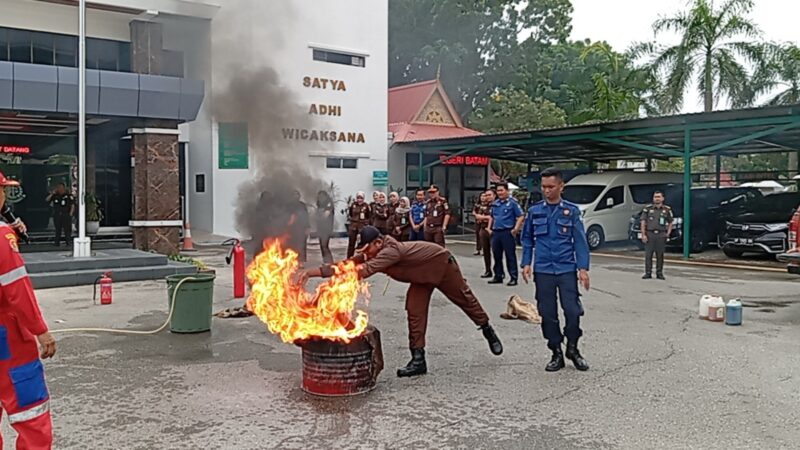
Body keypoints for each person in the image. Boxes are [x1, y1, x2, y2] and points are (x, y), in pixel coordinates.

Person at [298, 226, 503, 378]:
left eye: (366, 248)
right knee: (414, 312)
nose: (364, 253)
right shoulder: (374, 250)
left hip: (442, 267)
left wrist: (342, 278)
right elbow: (346, 265)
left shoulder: (390, 252)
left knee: (466, 300)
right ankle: (418, 360)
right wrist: (312, 272)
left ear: (378, 243)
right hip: (420, 278)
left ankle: (487, 329)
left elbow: (364, 271)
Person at [0, 171, 57, 449]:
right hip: (6, 338)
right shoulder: (1, 238)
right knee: (31, 411)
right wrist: (41, 331)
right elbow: (16, 290)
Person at [521, 167, 591, 373]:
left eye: (551, 186)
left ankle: (573, 348)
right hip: (543, 269)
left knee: (572, 310)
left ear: (562, 186)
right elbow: (526, 239)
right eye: (544, 187)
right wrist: (527, 262)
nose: (547, 191)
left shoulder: (571, 211)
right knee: (548, 313)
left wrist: (583, 268)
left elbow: (580, 241)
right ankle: (556, 352)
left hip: (566, 268)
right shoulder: (535, 211)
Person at [488, 183, 524, 287]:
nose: (500, 193)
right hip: (496, 232)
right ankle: (498, 275)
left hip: (507, 232)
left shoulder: (512, 203)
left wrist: (516, 228)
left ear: (507, 191)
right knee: (496, 255)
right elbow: (492, 216)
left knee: (510, 255)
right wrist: (489, 228)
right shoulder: (495, 203)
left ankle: (513, 277)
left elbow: (521, 216)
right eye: (498, 191)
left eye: (502, 190)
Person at [640, 191, 674, 280]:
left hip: (661, 234)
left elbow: (670, 222)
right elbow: (643, 222)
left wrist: (668, 233)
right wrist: (643, 234)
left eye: (658, 197)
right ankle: (648, 272)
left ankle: (659, 273)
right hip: (650, 234)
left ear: (663, 198)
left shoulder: (667, 210)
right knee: (648, 255)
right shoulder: (647, 209)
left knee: (660, 255)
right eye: (655, 197)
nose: (657, 198)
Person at [45, 183, 74, 247]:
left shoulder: (68, 195)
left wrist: (70, 214)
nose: (59, 189)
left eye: (61, 187)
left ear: (64, 188)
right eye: (58, 188)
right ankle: (57, 242)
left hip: (65, 214)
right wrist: (52, 193)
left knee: (67, 230)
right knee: (58, 229)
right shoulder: (55, 196)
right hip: (57, 214)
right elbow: (47, 200)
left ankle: (68, 242)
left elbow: (72, 205)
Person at [473, 191, 494, 278]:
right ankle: (488, 270)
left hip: (493, 229)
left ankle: (499, 272)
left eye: (488, 195)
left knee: (496, 252)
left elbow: (490, 217)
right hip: (483, 228)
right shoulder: (482, 206)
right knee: (486, 251)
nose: (486, 197)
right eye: (485, 195)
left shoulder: (495, 205)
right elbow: (477, 214)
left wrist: (481, 217)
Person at [288, 191, 310, 265]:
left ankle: (301, 261)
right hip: (292, 229)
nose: (296, 196)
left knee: (302, 245)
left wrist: (307, 227)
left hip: (301, 228)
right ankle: (293, 261)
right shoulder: (289, 205)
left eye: (297, 195)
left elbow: (306, 217)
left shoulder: (302, 205)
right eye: (294, 195)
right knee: (292, 245)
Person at [346, 192, 371, 258]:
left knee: (361, 244)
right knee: (351, 243)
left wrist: (366, 224)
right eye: (358, 198)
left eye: (361, 198)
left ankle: (361, 258)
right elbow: (351, 214)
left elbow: (368, 216)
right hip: (353, 226)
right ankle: (349, 258)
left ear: (363, 198)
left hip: (362, 227)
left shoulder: (366, 206)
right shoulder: (353, 205)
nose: (359, 200)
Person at [315, 190, 335, 264]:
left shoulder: (329, 204)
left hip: (327, 228)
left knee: (324, 245)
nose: (320, 198)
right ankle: (325, 261)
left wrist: (318, 217)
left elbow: (326, 215)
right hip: (320, 228)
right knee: (321, 246)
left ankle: (329, 261)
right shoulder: (319, 205)